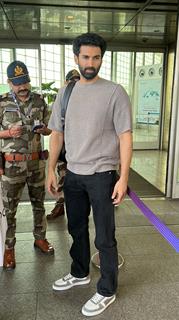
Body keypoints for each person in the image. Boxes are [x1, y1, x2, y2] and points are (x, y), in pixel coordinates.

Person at [47, 32, 132, 317]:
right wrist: (51, 169)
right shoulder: (66, 92)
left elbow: (125, 136)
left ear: (101, 59)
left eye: (96, 57)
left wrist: (123, 178)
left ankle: (107, 289)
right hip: (73, 175)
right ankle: (80, 272)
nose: (91, 63)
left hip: (102, 175)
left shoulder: (115, 92)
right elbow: (56, 133)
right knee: (76, 229)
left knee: (105, 237)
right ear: (76, 58)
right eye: (85, 57)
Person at [0, 60, 54, 270]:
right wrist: (7, 133)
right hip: (12, 166)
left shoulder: (40, 101)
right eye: (17, 84)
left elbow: (52, 128)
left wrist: (45, 130)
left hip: (36, 163)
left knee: (39, 205)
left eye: (25, 82)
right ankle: (9, 248)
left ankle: (40, 238)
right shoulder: (2, 103)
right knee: (9, 209)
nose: (22, 87)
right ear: (9, 82)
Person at [46, 69, 80, 220]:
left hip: (80, 152)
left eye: (77, 80)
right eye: (72, 80)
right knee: (62, 178)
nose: (74, 83)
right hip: (63, 149)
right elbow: (55, 130)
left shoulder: (85, 97)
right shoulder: (62, 97)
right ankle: (60, 205)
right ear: (66, 82)